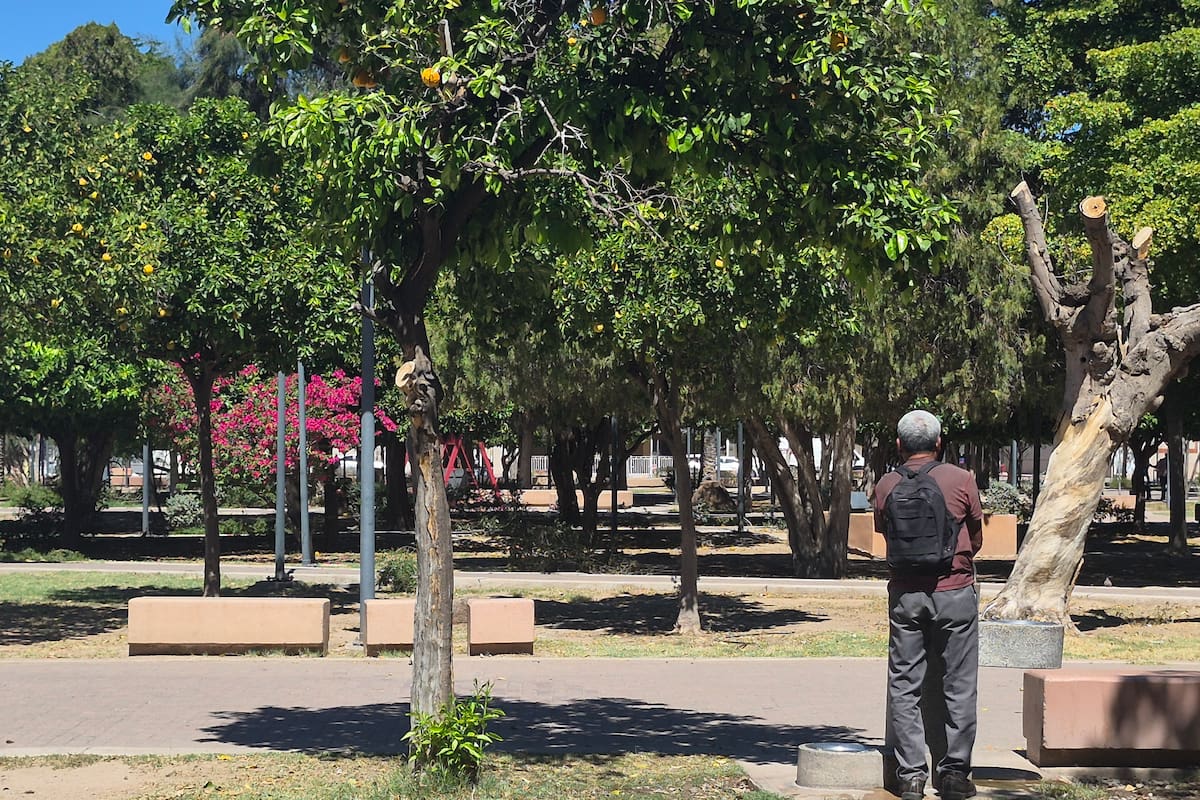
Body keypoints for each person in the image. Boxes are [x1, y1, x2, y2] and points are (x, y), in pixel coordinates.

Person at [873, 410, 983, 800]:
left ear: (899, 445)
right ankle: (954, 774)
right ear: (939, 443)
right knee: (960, 682)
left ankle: (911, 777)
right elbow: (976, 536)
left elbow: (884, 533)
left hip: (906, 596)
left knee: (904, 684)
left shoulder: (886, 485)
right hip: (955, 592)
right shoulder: (961, 479)